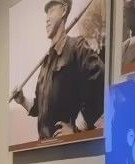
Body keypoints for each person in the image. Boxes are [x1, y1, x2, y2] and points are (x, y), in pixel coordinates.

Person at [11, 0, 105, 139]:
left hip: (69, 149)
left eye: (51, 11)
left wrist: (77, 128)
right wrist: (22, 100)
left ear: (64, 10)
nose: (47, 19)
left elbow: (101, 83)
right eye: (46, 14)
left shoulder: (77, 48)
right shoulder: (46, 63)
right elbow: (40, 108)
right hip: (45, 147)